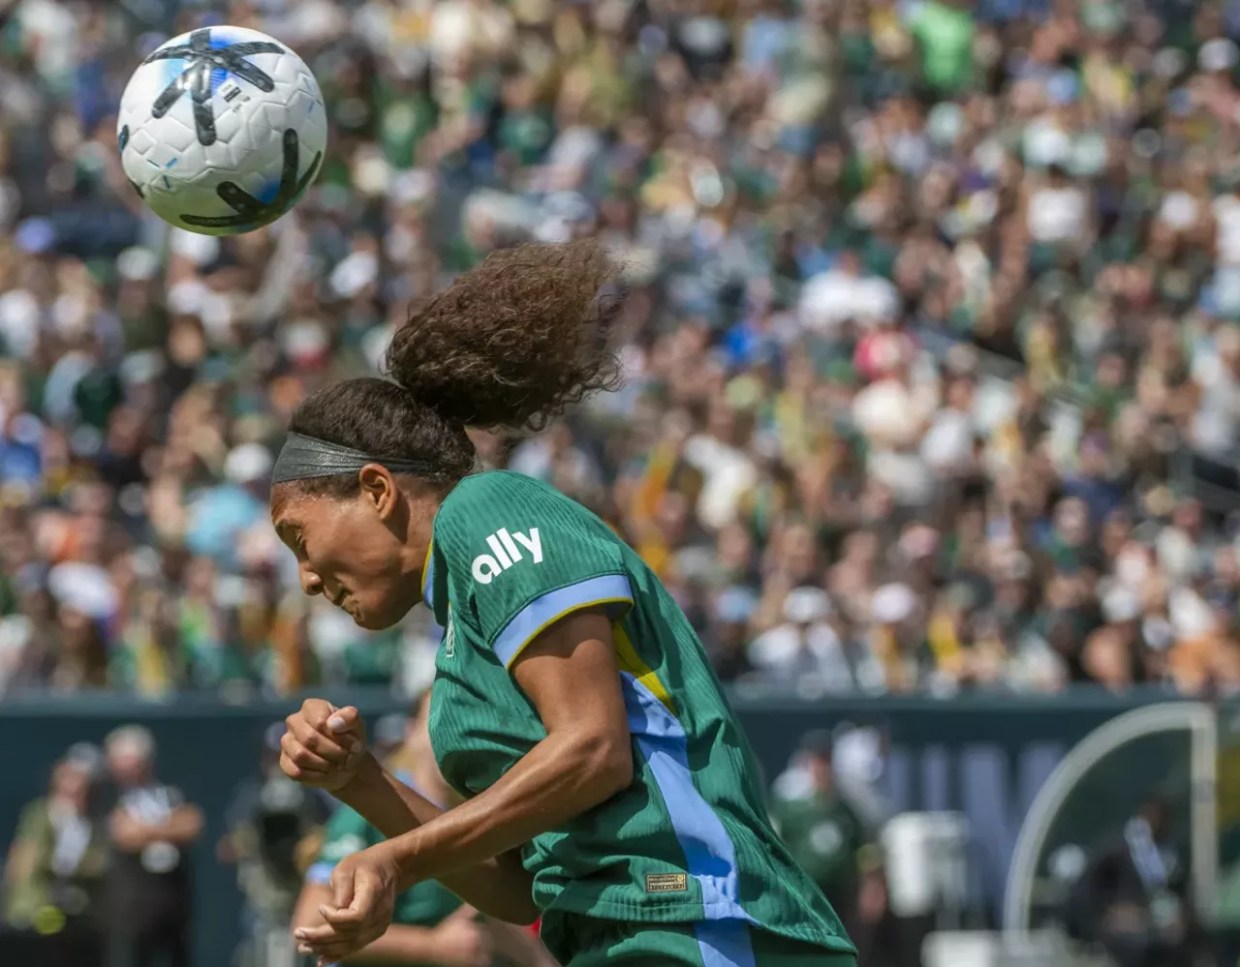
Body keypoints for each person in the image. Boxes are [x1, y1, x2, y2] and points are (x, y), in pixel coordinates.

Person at [272, 240, 857, 967]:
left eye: (298, 536)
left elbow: (593, 750)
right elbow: (520, 890)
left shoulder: (485, 508)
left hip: (699, 923)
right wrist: (359, 780)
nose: (303, 577)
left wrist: (398, 859)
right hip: (620, 938)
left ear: (377, 490)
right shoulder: (459, 654)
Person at [294, 691, 557, 967]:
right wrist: (429, 947)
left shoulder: (479, 814)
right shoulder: (370, 813)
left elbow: (497, 908)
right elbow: (309, 923)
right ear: (412, 733)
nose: (457, 733)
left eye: (470, 720)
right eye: (442, 721)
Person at [219, 723, 332, 967]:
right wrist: (252, 842)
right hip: (265, 895)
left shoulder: (313, 796)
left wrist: (310, 846)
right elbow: (228, 846)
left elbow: (331, 836)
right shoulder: (251, 795)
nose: (279, 763)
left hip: (303, 892)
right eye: (274, 754)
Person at [104, 725, 203, 967]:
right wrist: (167, 829)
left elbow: (192, 823)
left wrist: (146, 830)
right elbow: (123, 833)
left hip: (172, 903)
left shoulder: (169, 793)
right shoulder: (107, 796)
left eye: (135, 760)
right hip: (131, 909)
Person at [2, 750, 108, 967]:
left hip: (77, 919)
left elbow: (99, 864)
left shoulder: (94, 822)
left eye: (82, 781)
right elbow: (26, 861)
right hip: (33, 915)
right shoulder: (39, 815)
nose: (75, 787)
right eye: (68, 777)